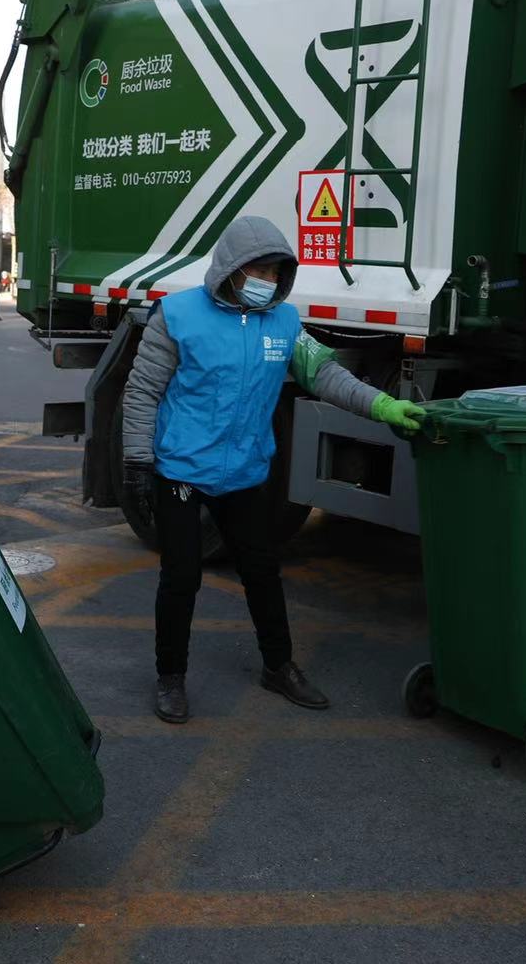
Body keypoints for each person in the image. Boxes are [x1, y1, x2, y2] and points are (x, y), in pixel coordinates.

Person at [121, 216, 425, 724]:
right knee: (181, 577)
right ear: (231, 269)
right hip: (182, 470)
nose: (266, 278)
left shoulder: (284, 324)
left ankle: (278, 666)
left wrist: (383, 407)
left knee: (261, 572)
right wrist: (136, 464)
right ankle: (170, 678)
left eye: (274, 270)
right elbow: (142, 391)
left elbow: (324, 374)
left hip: (244, 472)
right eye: (257, 269)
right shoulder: (176, 315)